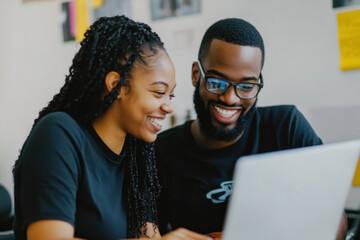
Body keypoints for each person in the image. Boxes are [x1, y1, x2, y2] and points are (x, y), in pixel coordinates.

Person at [13, 15, 212, 240]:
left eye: (171, 94)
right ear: (116, 86)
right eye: (159, 92)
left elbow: (147, 238)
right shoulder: (58, 134)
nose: (169, 107)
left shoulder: (137, 155)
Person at [155, 18, 348, 239]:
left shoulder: (287, 128)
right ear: (195, 75)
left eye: (246, 86)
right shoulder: (160, 153)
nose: (230, 98)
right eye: (217, 83)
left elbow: (336, 219)